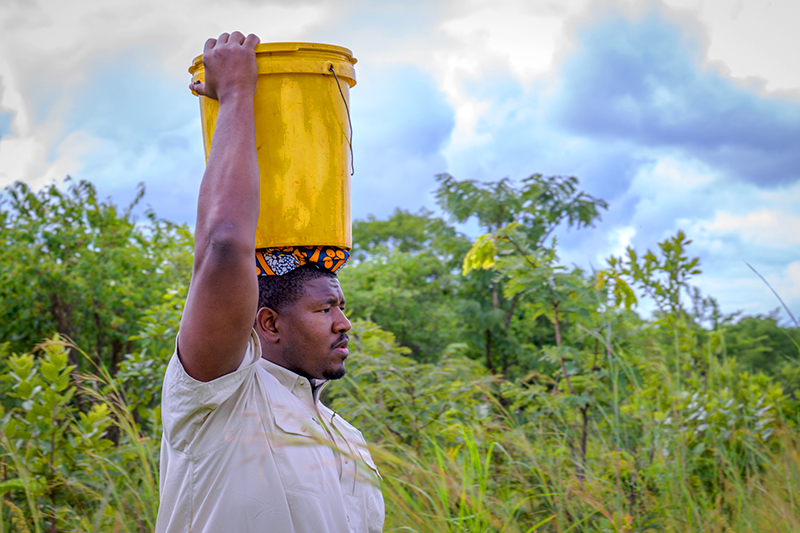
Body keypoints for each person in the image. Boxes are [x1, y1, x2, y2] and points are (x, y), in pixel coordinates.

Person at [155, 31, 385, 532]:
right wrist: (237, 94)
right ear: (268, 322)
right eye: (325, 309)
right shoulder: (220, 393)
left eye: (341, 308)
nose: (345, 324)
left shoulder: (347, 439)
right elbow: (223, 245)